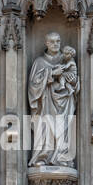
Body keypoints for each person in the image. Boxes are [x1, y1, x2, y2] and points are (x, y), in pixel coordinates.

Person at [27, 32, 80, 167]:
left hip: (65, 102)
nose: (56, 44)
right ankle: (43, 156)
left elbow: (75, 83)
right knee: (45, 127)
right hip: (46, 103)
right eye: (52, 41)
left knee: (63, 128)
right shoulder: (39, 62)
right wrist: (51, 74)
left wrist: (73, 81)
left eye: (58, 41)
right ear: (46, 43)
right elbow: (33, 86)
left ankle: (62, 157)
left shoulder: (67, 60)